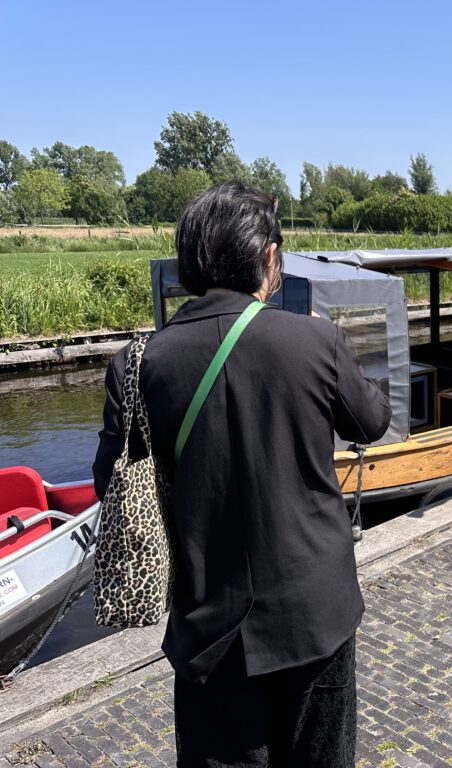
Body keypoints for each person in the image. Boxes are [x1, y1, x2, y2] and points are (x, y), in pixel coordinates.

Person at [93, 181, 391, 767]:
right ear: (268, 257)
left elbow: (112, 484)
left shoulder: (135, 363)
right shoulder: (315, 340)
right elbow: (371, 422)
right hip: (314, 616)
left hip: (208, 629)